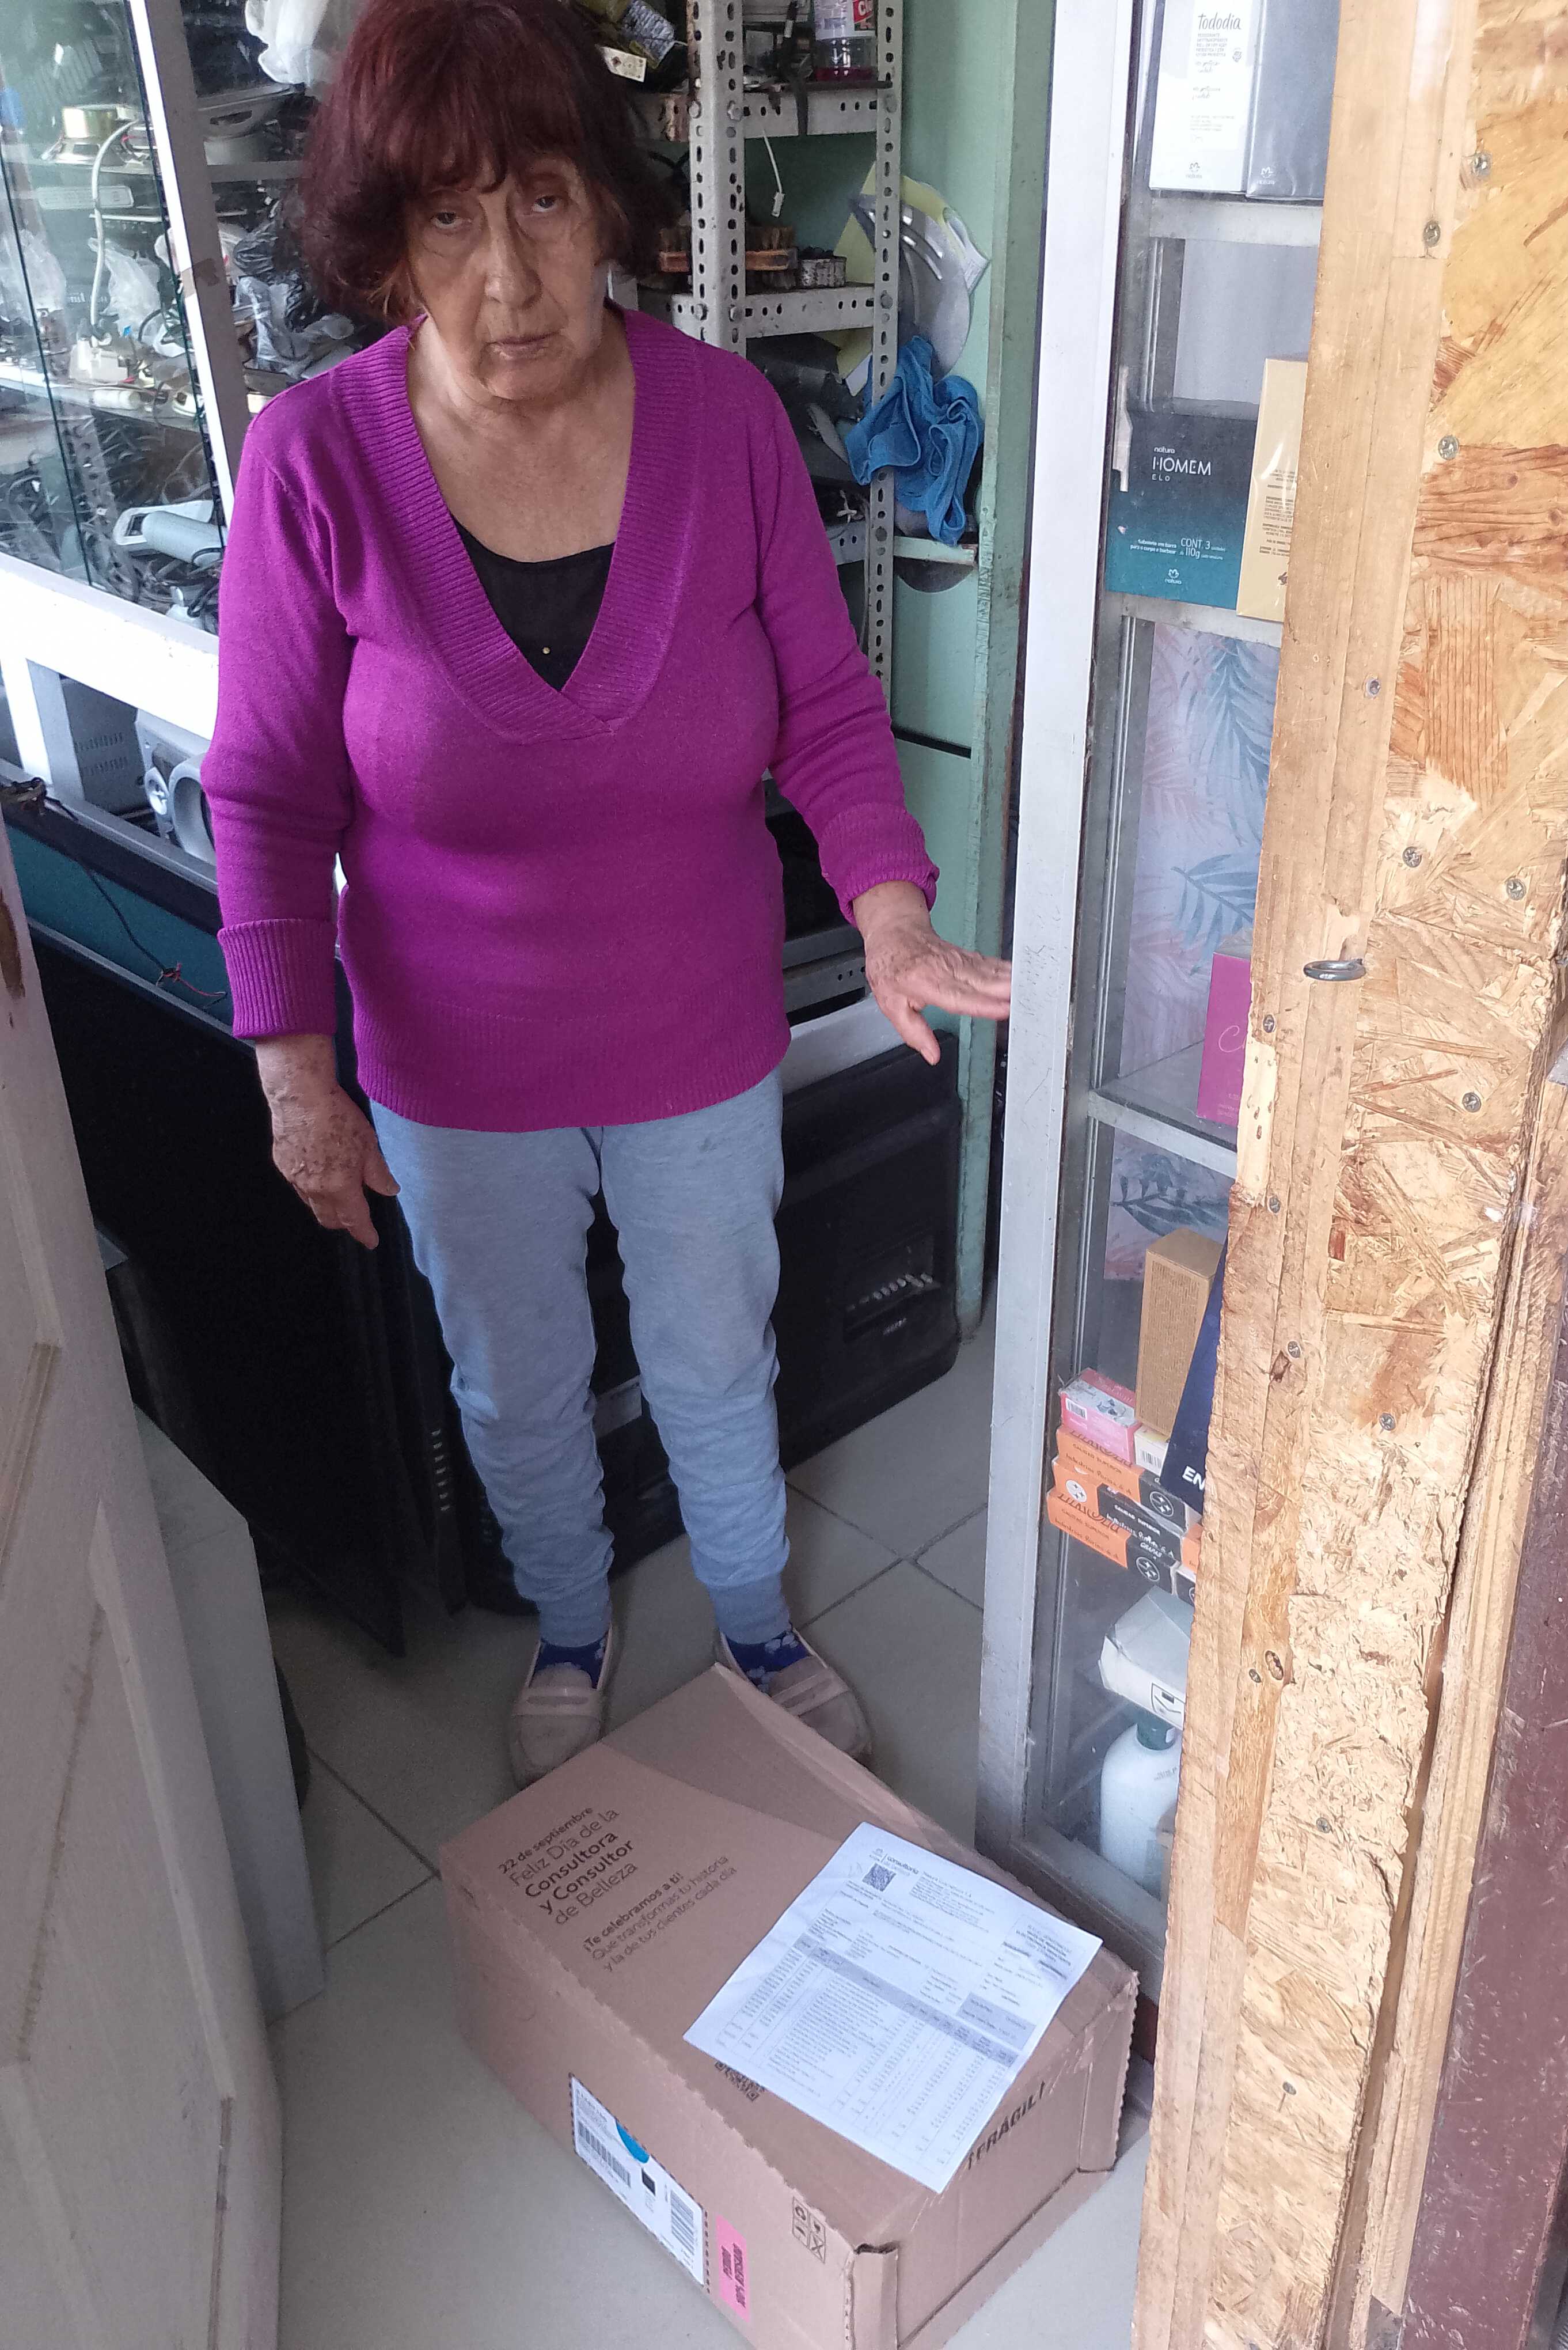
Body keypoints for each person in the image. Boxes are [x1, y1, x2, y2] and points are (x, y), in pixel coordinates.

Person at [203, 0, 1011, 1788]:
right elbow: (264, 789)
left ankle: (755, 1616)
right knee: (513, 1377)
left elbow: (823, 702)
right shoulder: (315, 464)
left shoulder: (725, 423)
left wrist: (887, 905)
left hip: (692, 1022)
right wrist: (294, 1073)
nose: (506, 277)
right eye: (448, 217)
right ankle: (570, 1621)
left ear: (611, 210)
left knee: (715, 1349)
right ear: (388, 244)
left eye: (546, 201)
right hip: (452, 1054)